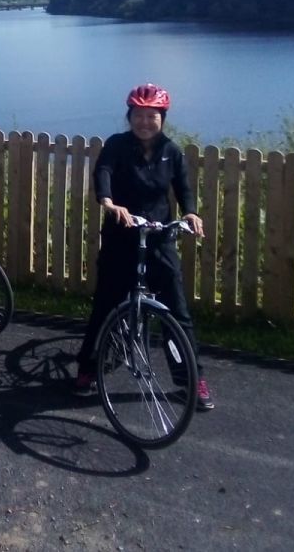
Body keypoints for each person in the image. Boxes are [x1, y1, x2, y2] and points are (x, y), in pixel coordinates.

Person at [73, 83, 214, 410]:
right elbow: (103, 172)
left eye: (152, 116)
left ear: (162, 118)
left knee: (176, 312)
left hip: (159, 238)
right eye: (138, 115)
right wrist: (109, 202)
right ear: (130, 116)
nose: (144, 122)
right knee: (106, 303)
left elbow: (183, 187)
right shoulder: (117, 145)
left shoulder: (172, 151)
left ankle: (191, 380)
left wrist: (191, 212)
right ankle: (87, 367)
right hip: (122, 235)